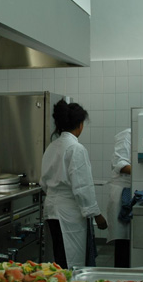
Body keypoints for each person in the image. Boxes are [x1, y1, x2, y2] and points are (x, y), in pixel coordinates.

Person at [40, 100, 107, 269]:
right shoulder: (76, 149)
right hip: (68, 214)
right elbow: (82, 188)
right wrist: (97, 215)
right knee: (72, 261)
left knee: (58, 257)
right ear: (79, 125)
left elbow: (44, 182)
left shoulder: (52, 147)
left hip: (52, 210)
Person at [102, 128, 132, 267]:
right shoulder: (127, 135)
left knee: (134, 240)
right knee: (123, 243)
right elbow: (120, 164)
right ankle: (121, 279)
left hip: (136, 192)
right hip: (122, 193)